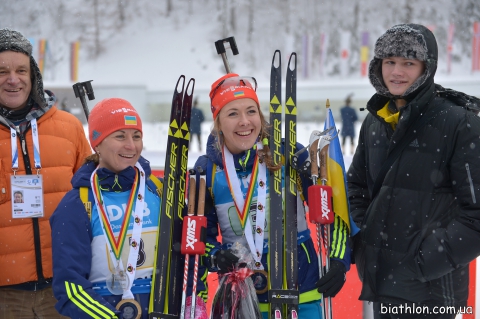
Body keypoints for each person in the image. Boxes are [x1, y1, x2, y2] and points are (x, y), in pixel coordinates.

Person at [348, 23, 480, 319]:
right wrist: (366, 242)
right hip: (382, 281)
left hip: (431, 290)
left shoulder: (459, 123)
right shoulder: (376, 121)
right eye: (389, 62)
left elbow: (476, 214)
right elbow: (356, 186)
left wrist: (421, 263)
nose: (396, 72)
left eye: (408, 63)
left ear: (426, 68)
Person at [193, 73, 351, 318]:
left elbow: (332, 208)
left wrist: (339, 260)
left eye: (251, 111)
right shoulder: (209, 170)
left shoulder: (288, 155)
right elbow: (200, 237)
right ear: (218, 122)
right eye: (232, 113)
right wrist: (216, 257)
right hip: (242, 300)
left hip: (302, 291)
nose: (244, 121)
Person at [50, 98, 208, 319]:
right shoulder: (78, 204)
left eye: (136, 136)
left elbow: (190, 254)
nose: (131, 146)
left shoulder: (160, 191)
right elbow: (71, 288)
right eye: (120, 136)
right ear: (97, 143)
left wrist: (194, 299)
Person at [0, 28, 92, 318]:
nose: (12, 79)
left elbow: (94, 197)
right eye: (2, 70)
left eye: (20, 70)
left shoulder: (68, 127)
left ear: (34, 75)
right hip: (6, 294)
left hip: (66, 289)